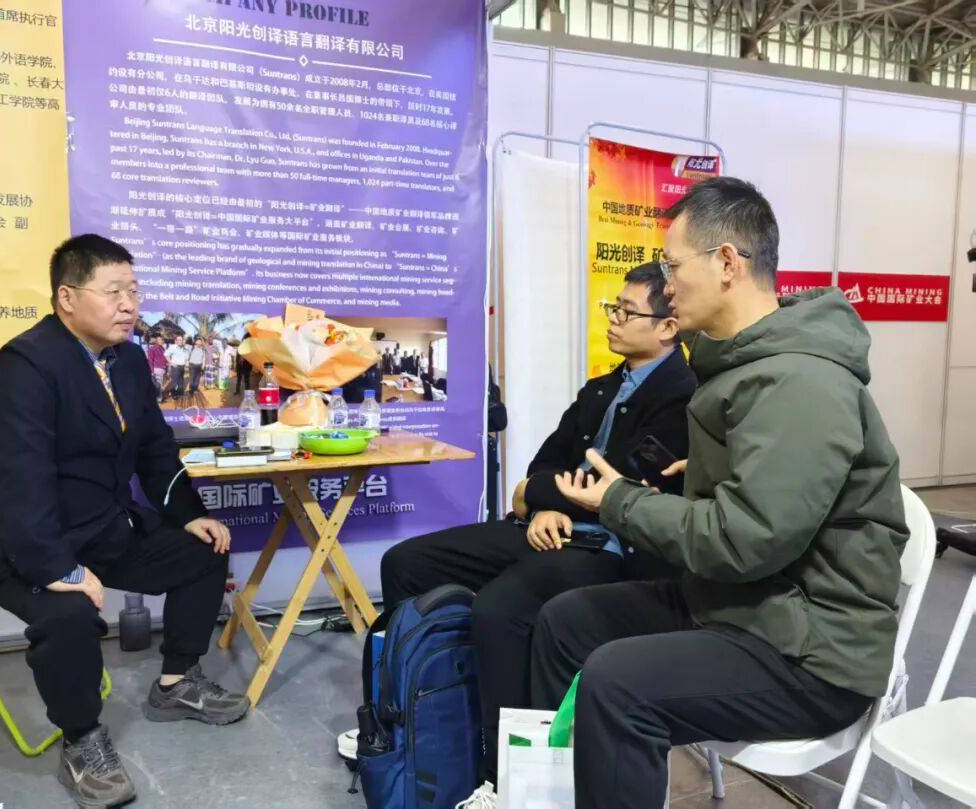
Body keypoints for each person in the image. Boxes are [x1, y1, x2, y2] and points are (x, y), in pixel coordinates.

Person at [531, 177, 909, 809]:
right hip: (748, 607)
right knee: (566, 620)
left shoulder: (799, 382)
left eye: (673, 267)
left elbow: (745, 540)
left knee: (617, 686)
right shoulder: (750, 368)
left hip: (812, 652)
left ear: (728, 262)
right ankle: (546, 794)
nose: (667, 285)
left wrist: (620, 501)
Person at [366, 263, 696, 805]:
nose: (612, 319)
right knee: (406, 563)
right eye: (612, 308)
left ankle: (504, 775)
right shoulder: (601, 388)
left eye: (625, 311)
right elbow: (541, 468)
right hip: (547, 529)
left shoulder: (683, 397)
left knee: (502, 608)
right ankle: (417, 721)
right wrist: (540, 504)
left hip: (611, 546)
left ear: (667, 326)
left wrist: (541, 497)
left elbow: (617, 490)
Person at [0, 234, 249, 809]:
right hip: (14, 540)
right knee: (67, 614)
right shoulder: (27, 362)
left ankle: (176, 683)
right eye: (114, 292)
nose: (130, 305)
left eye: (134, 291)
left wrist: (188, 515)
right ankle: (82, 740)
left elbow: (155, 449)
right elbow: (22, 480)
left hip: (98, 524)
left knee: (204, 549)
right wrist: (57, 568)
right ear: (67, 297)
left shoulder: (128, 359)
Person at [165, 334, 189, 400]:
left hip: (182, 367)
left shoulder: (184, 348)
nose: (180, 341)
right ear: (176, 341)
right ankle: (174, 394)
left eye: (181, 340)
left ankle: (180, 392)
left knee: (181, 380)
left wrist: (185, 362)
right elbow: (166, 355)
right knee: (174, 381)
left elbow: (186, 357)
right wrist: (171, 363)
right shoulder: (173, 347)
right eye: (178, 340)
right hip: (175, 367)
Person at [147, 335, 167, 399]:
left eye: (162, 340)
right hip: (156, 368)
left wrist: (166, 367)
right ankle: (158, 398)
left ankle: (158, 397)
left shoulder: (162, 348)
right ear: (156, 341)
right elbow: (150, 360)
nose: (161, 341)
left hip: (162, 368)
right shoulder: (152, 348)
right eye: (159, 340)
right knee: (157, 384)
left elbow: (164, 359)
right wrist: (152, 371)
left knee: (160, 383)